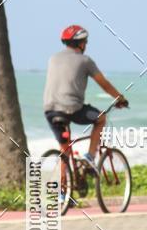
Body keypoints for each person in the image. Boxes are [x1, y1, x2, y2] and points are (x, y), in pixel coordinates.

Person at [43, 25, 128, 169]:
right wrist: (120, 98)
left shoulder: (53, 59)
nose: (86, 45)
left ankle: (64, 189)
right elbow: (104, 84)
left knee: (65, 151)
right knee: (101, 118)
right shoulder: (85, 61)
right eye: (85, 42)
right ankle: (89, 157)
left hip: (50, 110)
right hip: (72, 109)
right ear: (80, 43)